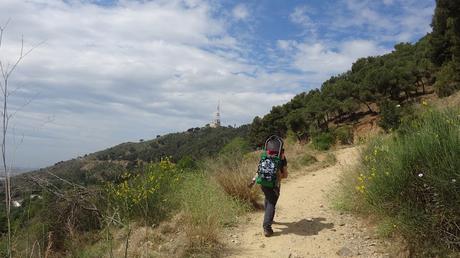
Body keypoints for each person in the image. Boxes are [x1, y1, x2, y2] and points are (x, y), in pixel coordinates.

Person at [251, 137, 288, 237]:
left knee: (268, 197)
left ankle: (268, 218)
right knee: (272, 202)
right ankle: (267, 227)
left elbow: (259, 170)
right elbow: (285, 175)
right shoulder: (281, 158)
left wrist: (253, 180)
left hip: (262, 182)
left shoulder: (265, 156)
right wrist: (279, 174)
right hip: (274, 184)